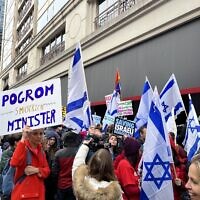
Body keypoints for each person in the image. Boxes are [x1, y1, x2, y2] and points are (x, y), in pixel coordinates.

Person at [10, 126, 50, 200]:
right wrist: (23, 139)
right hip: (24, 194)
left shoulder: (41, 150)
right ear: (28, 135)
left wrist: (37, 170)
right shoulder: (23, 148)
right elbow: (14, 163)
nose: (39, 136)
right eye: (35, 134)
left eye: (41, 133)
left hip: (38, 193)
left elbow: (47, 170)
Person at [52, 131, 81, 200]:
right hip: (75, 185)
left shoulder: (58, 153)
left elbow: (54, 172)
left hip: (62, 185)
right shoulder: (80, 153)